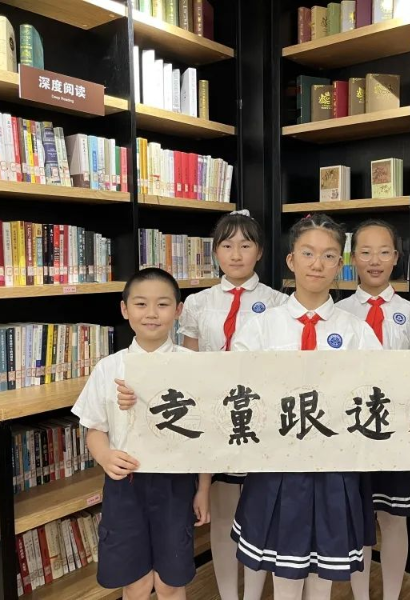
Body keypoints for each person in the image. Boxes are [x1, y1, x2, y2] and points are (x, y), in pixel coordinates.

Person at [122, 210, 287, 600]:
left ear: (260, 251)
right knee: (222, 513)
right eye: (227, 245)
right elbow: (188, 366)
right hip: (213, 420)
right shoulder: (196, 303)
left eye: (245, 245)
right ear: (215, 252)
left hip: (260, 420)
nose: (236, 254)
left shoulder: (279, 302)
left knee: (260, 516)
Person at [230, 213, 382, 600]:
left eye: (329, 256)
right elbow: (238, 392)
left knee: (323, 574)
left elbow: (377, 394)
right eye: (308, 253)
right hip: (277, 466)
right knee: (284, 573)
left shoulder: (357, 331)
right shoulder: (261, 327)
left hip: (334, 467)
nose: (317, 264)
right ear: (291, 260)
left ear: (340, 265)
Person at [71, 268, 211, 600]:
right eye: (140, 304)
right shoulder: (109, 367)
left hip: (176, 485)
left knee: (170, 581)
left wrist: (203, 489)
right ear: (124, 309)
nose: (151, 314)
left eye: (162, 304)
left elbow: (206, 439)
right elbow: (94, 428)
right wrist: (105, 456)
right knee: (135, 582)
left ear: (178, 311)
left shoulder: (195, 365)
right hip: (126, 486)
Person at [335, 219, 410, 600]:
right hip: (351, 434)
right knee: (357, 522)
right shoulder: (338, 313)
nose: (375, 261)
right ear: (352, 258)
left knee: (394, 520)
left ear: (396, 257)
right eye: (366, 252)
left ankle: (391, 595)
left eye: (384, 252)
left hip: (397, 436)